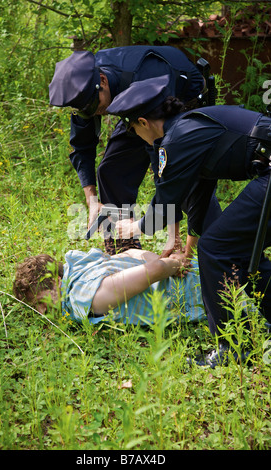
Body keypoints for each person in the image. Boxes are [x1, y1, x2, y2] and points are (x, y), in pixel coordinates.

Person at [106, 74, 271, 366]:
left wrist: (135, 226)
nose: (137, 136)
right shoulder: (190, 126)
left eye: (133, 129)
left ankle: (232, 349)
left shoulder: (177, 141)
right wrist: (186, 244)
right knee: (242, 250)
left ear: (143, 122)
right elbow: (200, 191)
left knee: (217, 248)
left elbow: (165, 203)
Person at [49, 46, 221, 255]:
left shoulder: (143, 77)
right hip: (135, 110)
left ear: (102, 81)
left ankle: (219, 250)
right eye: (87, 111)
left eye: (95, 104)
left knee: (188, 181)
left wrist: (172, 237)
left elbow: (164, 169)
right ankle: (124, 252)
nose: (94, 112)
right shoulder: (86, 90)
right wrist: (92, 199)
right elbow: (82, 145)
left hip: (178, 103)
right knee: (111, 171)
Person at [13, 247, 205, 326]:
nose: (41, 311)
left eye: (40, 301)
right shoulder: (81, 266)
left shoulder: (90, 296)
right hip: (199, 268)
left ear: (56, 282)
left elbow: (155, 269)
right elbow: (132, 253)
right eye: (35, 307)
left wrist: (174, 264)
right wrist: (165, 262)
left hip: (198, 291)